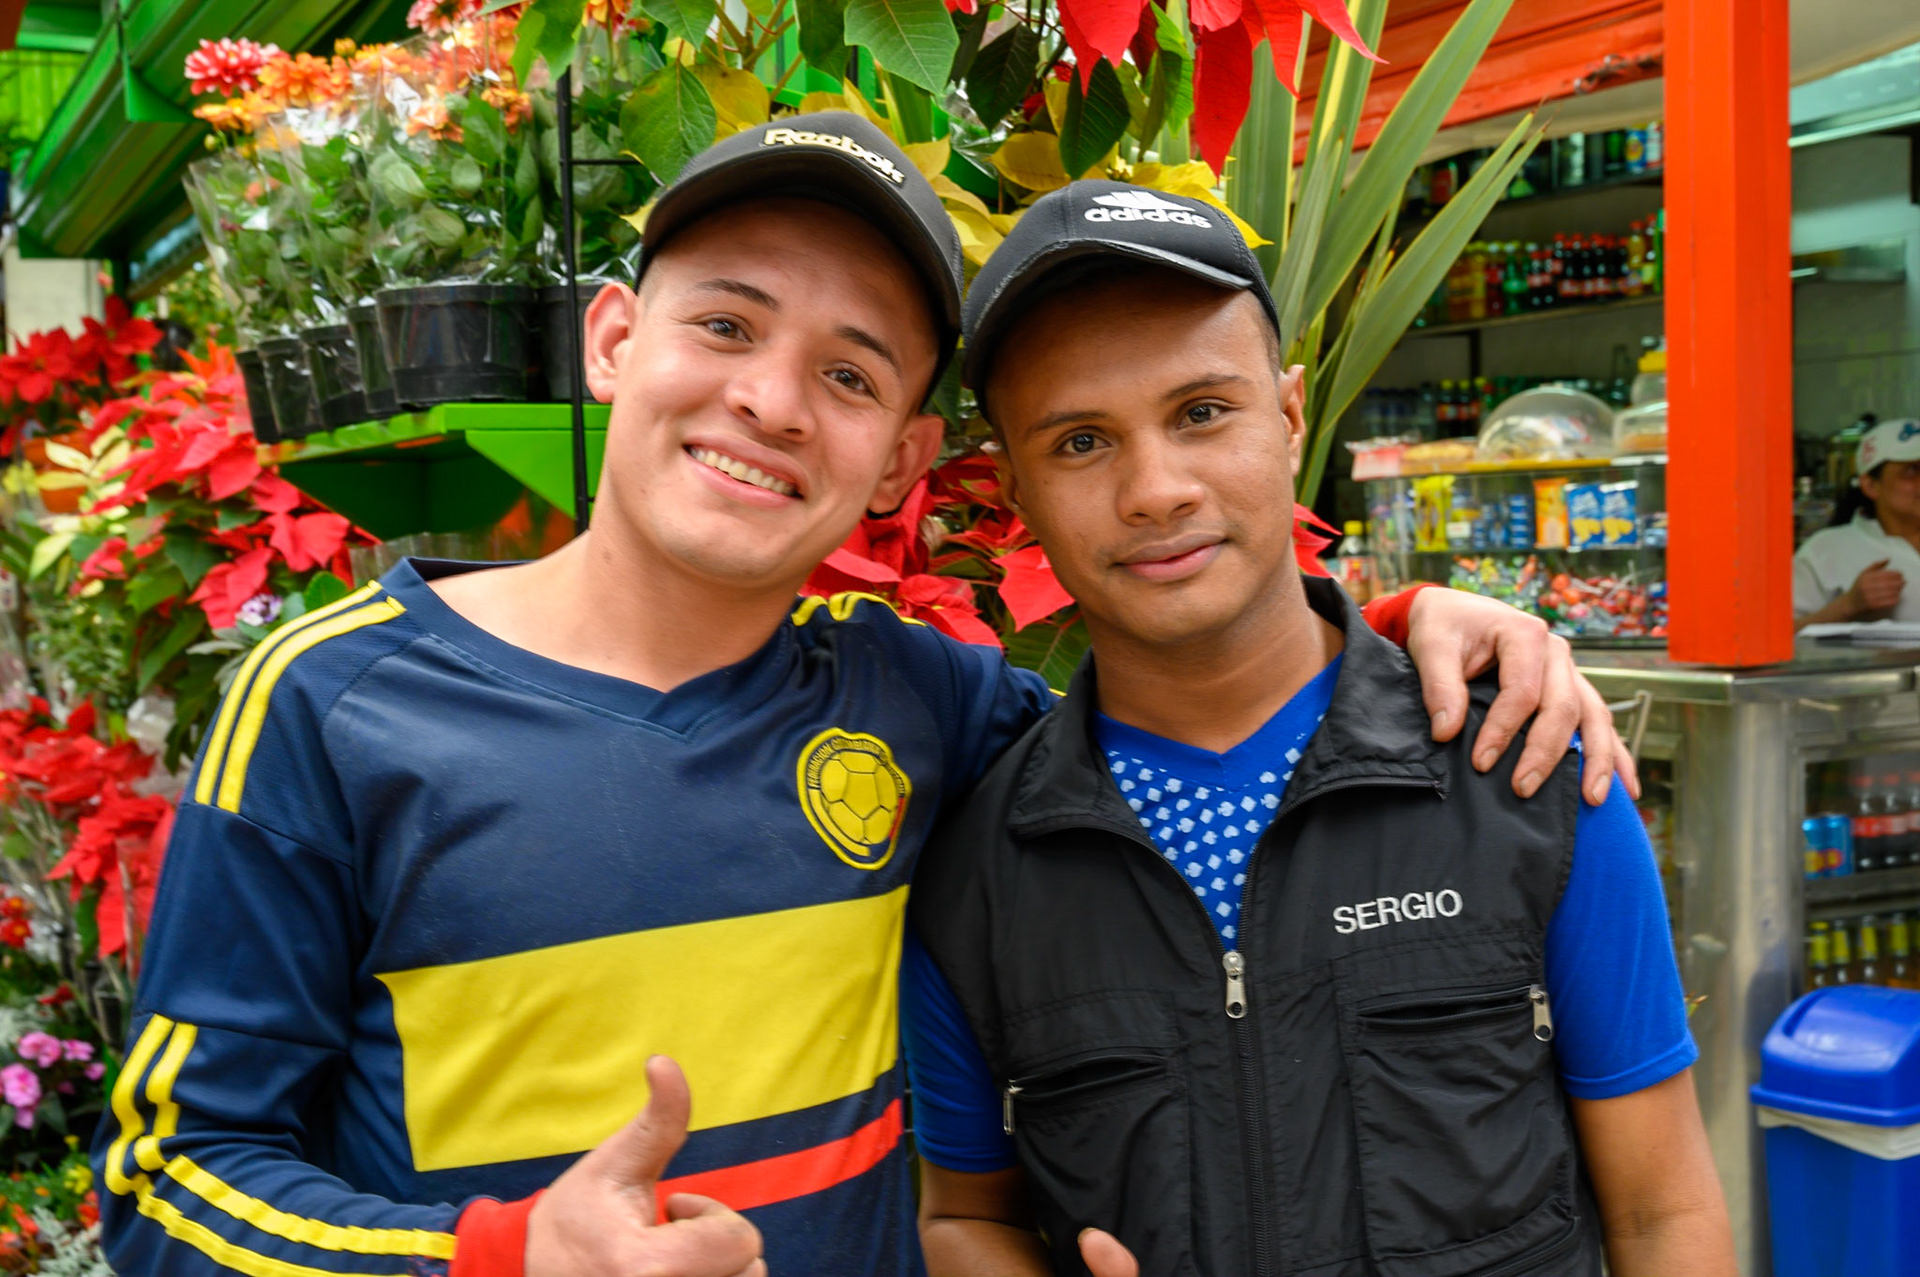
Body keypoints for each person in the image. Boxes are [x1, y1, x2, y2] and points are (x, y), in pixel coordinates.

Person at [95, 119, 1631, 1277]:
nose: (769, 399)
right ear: (616, 341)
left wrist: (1424, 626)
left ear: (900, 456)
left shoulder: (919, 707)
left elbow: (1200, 705)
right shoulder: (333, 706)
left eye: (851, 372)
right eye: (727, 324)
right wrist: (496, 1256)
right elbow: (168, 1184)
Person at [904, 182, 1735, 1277]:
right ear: (1014, 487)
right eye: (1081, 442)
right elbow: (968, 1215)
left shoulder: (1527, 772)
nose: (1155, 489)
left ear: (1290, 414)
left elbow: (1662, 1210)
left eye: (1203, 411)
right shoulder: (978, 869)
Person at [1795, 418, 1920, 628]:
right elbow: (1776, 635)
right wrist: (1848, 606)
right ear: (1870, 485)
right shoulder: (1825, 550)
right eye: (1912, 470)